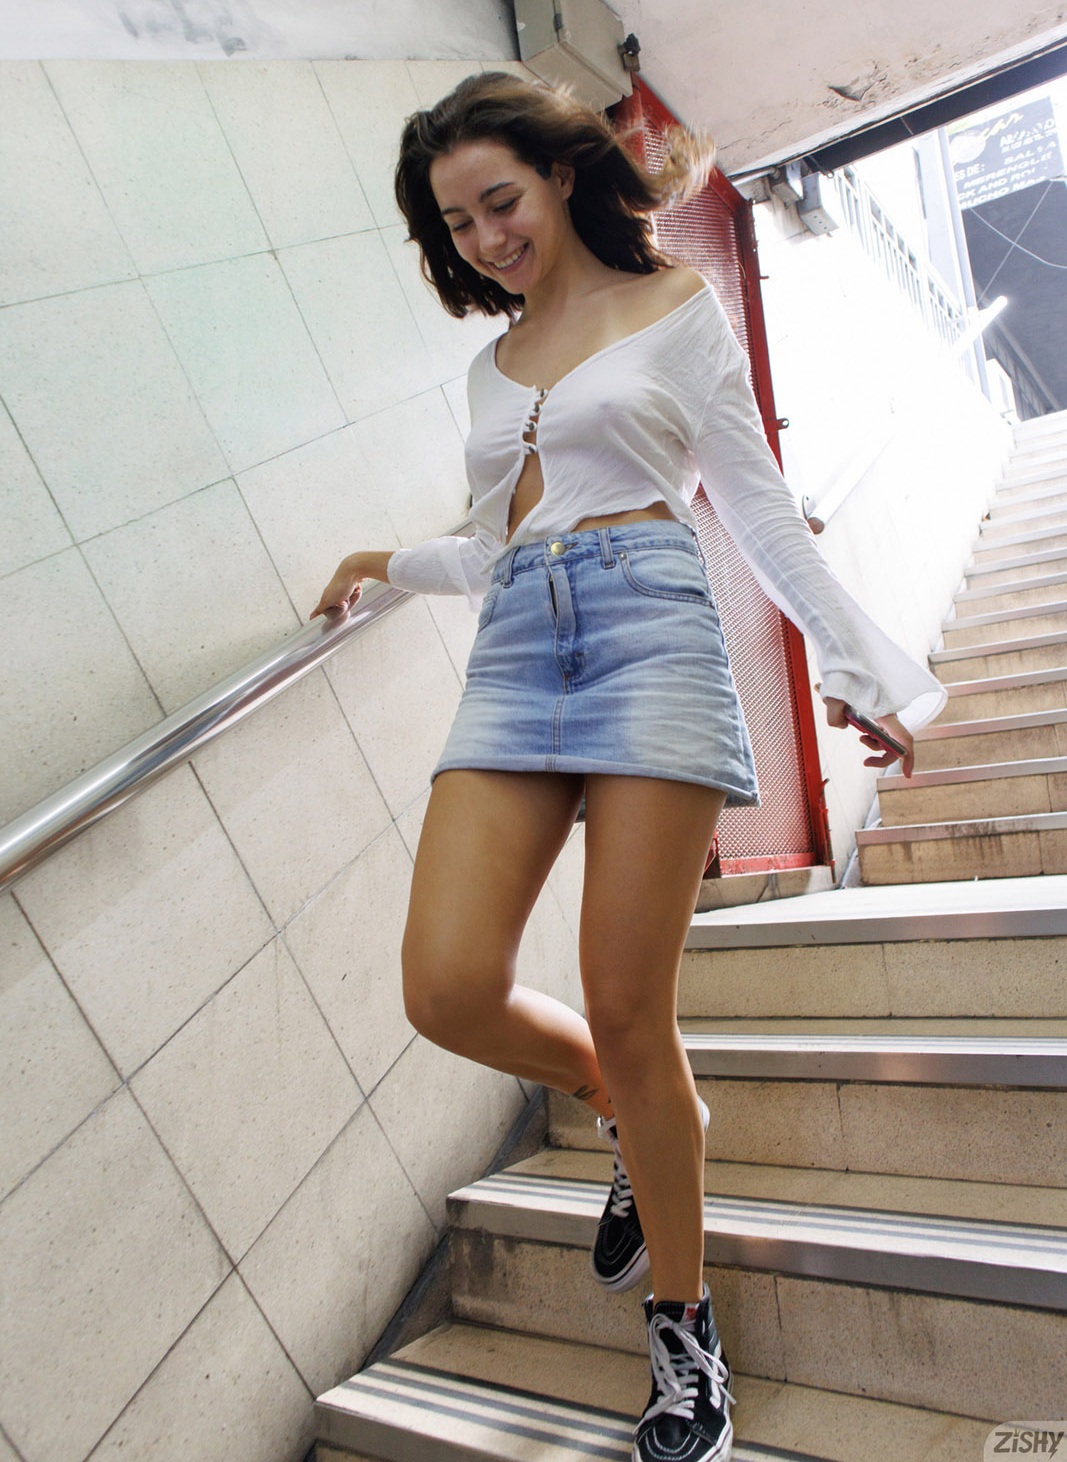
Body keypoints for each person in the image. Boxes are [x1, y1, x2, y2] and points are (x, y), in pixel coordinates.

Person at [312, 72, 945, 1462]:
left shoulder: (676, 309)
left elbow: (761, 514)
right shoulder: (492, 368)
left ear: (558, 175)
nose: (486, 238)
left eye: (501, 201)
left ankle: (682, 1325)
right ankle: (627, 1110)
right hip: (517, 649)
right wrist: (382, 562)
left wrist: (864, 672)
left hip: (653, 631)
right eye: (456, 223)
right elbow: (498, 543)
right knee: (447, 985)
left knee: (628, 1002)